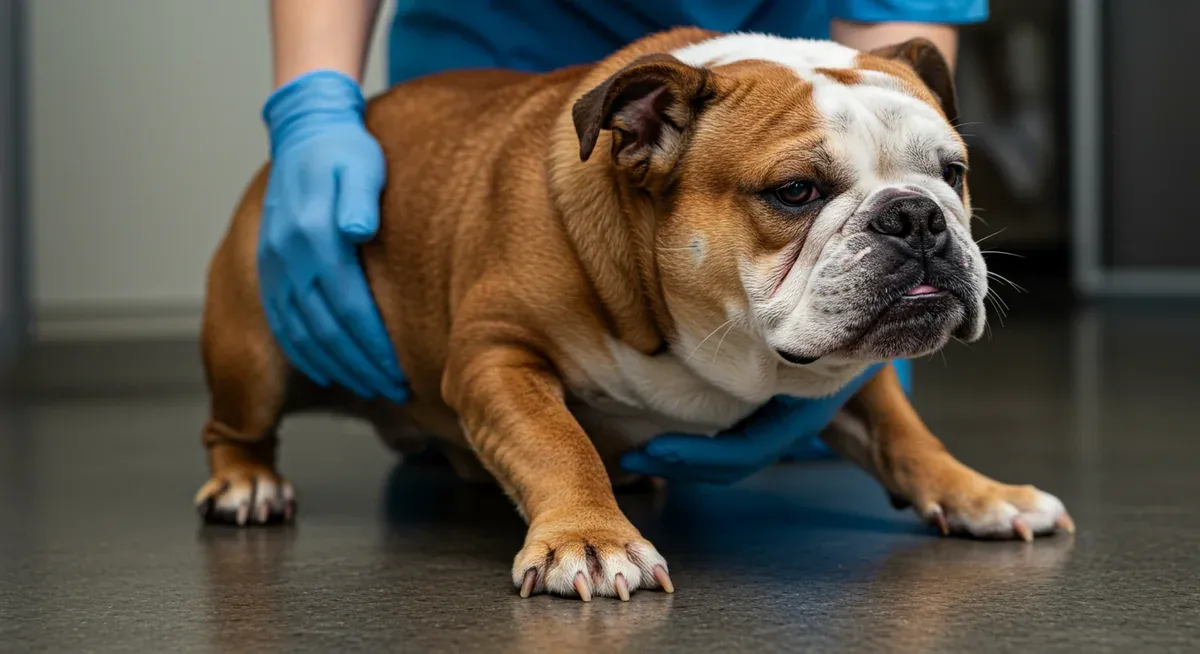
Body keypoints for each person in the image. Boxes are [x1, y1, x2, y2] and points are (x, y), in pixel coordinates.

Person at [258, 0, 988, 484]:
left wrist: (889, 122)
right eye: (797, 192)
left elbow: (902, 10)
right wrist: (310, 104)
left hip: (780, 72)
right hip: (504, 36)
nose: (916, 224)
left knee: (824, 365)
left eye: (946, 172)